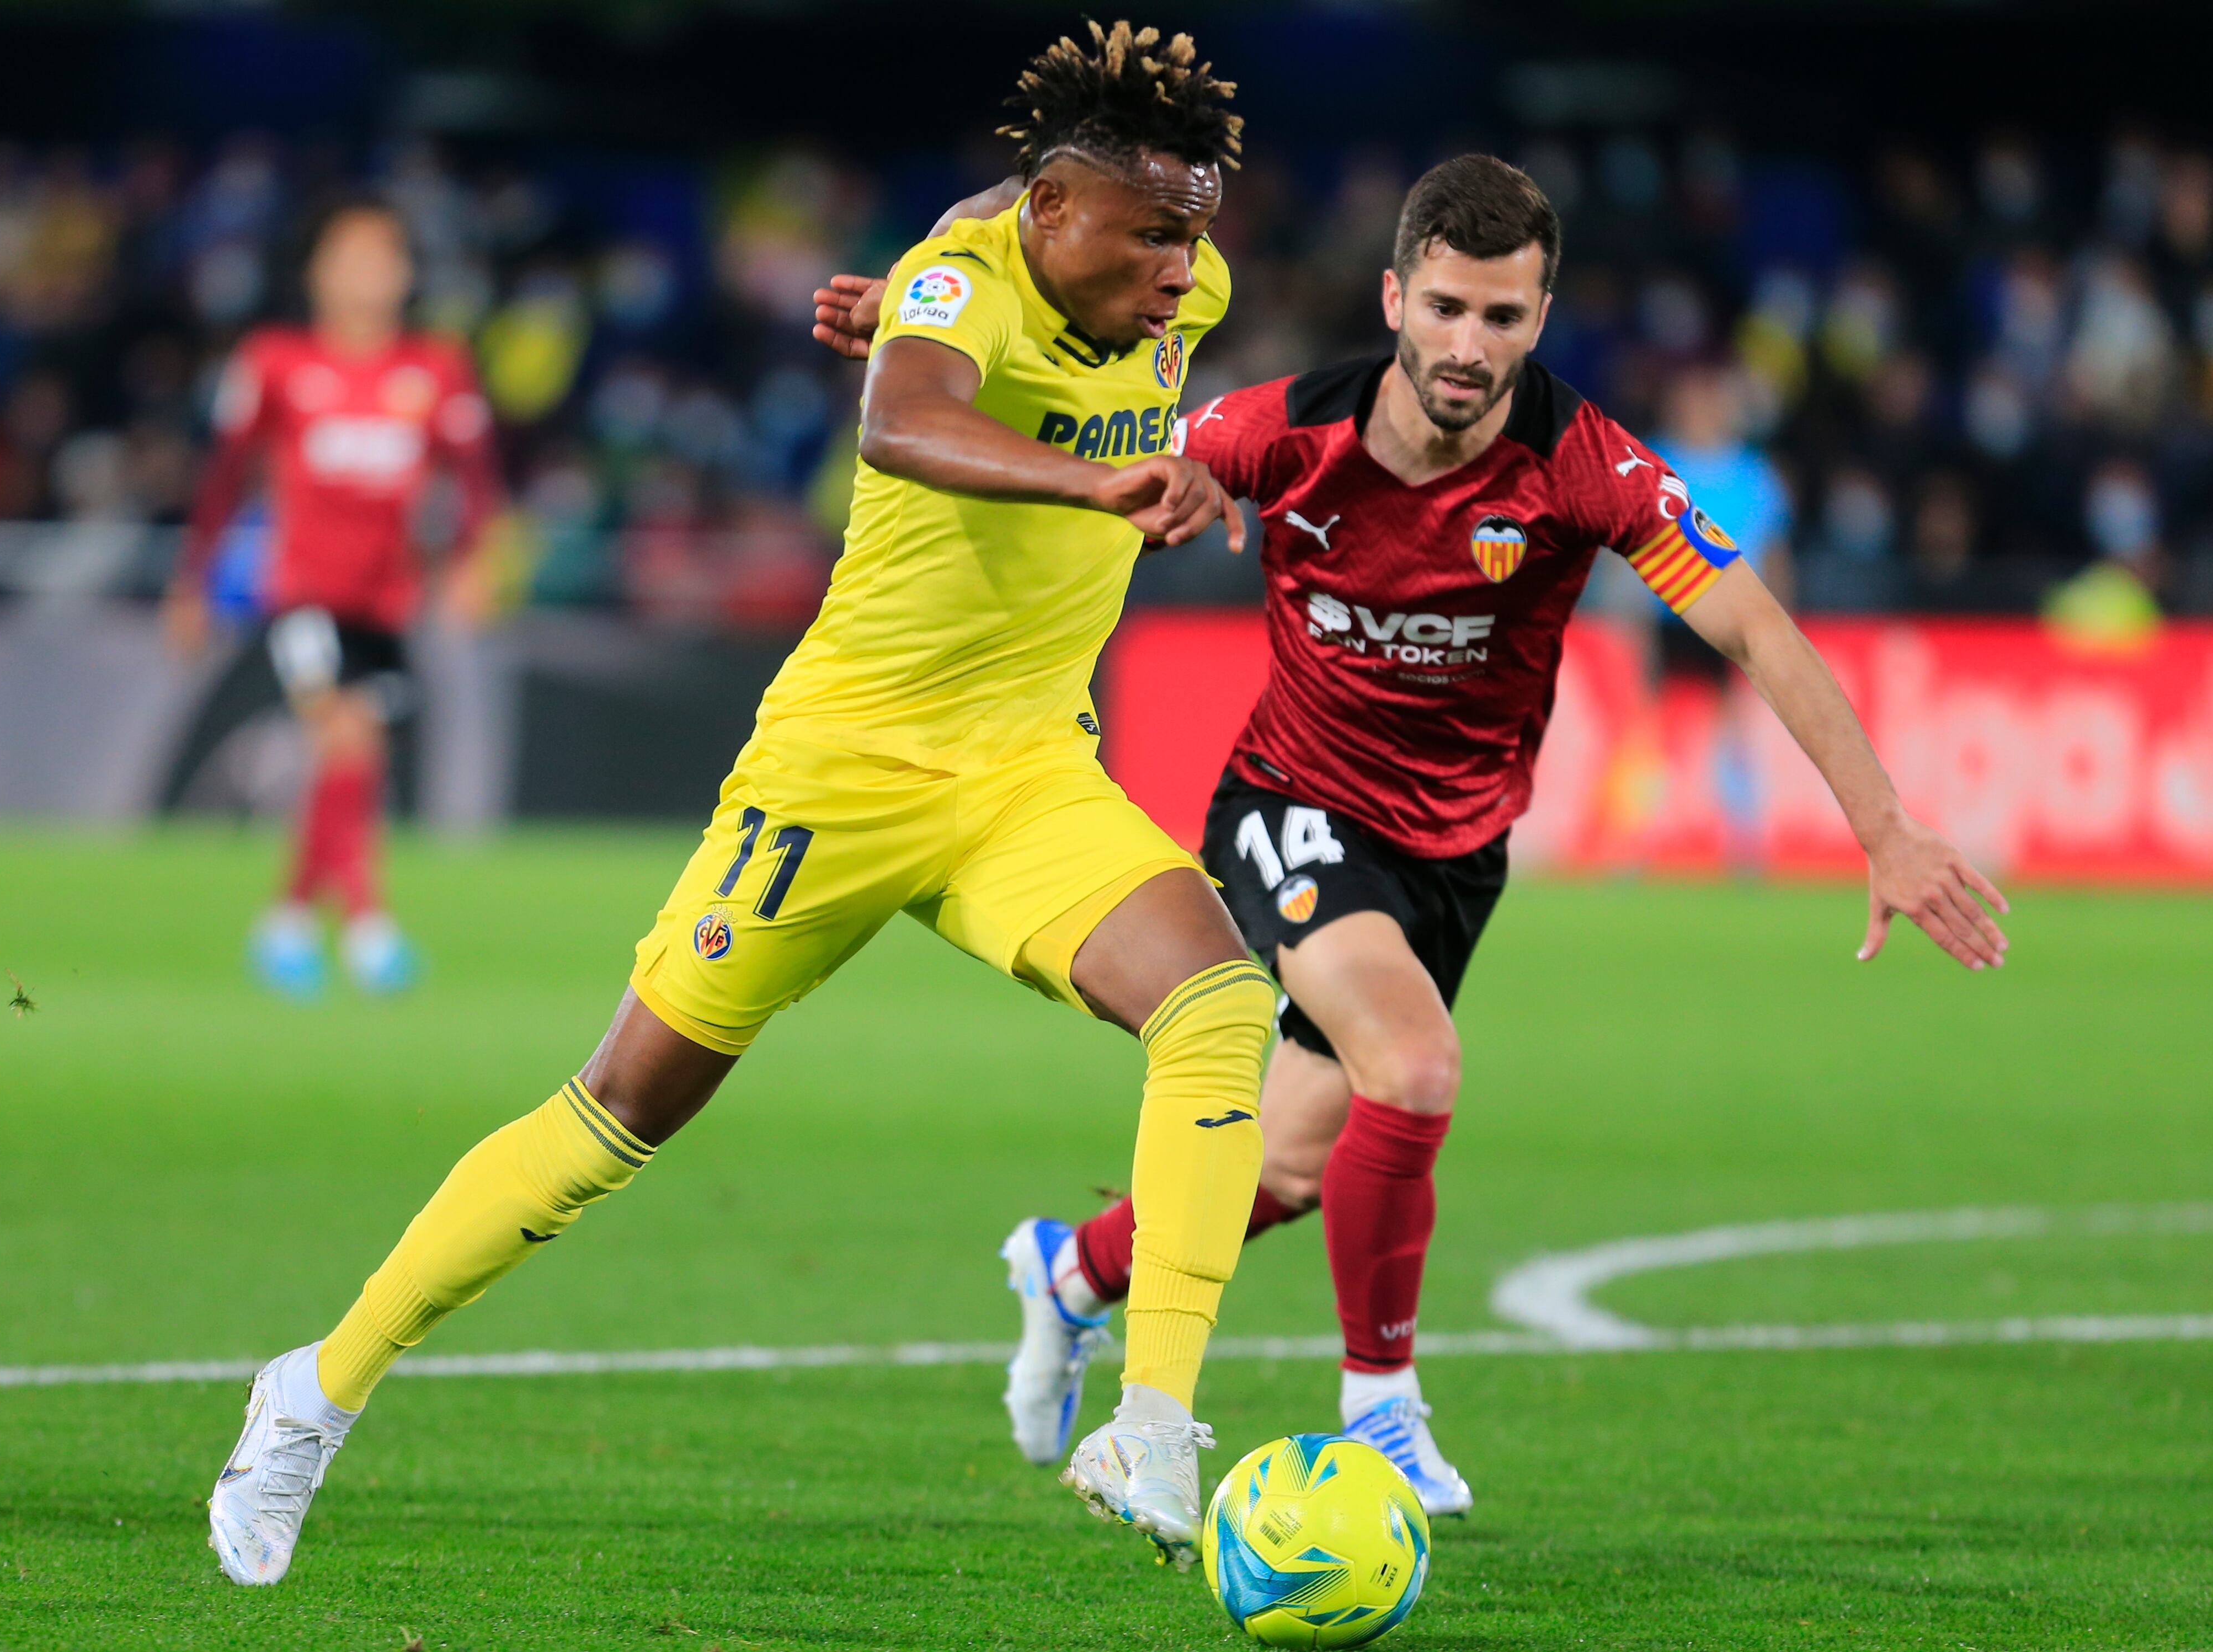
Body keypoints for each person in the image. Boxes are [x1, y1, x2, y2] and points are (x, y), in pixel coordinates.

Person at [210, 20, 1273, 1587]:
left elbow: (1002, 265)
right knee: (614, 1116)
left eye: (1194, 235)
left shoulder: (1138, 281)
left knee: (1218, 1006)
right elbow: (902, 416)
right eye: (1150, 234)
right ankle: (316, 1385)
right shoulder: (961, 288)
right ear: (1052, 210)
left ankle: (1156, 1418)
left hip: (1028, 768)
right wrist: (1084, 467)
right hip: (836, 774)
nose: (1183, 272)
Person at [815, 154, 2009, 1516]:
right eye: (1443, 307)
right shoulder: (1283, 431)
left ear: (1539, 319)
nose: (1467, 344)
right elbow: (1092, 433)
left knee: (1289, 1165)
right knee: (1417, 1064)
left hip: (1457, 852)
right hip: (1291, 810)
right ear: (1394, 296)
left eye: (1501, 318)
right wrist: (924, 315)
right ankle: (1380, 1406)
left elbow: (1752, 625)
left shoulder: (1587, 465)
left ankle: (1074, 1268)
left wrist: (1886, 827)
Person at [163, 195, 502, 998]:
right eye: (348, 254)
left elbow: (476, 479)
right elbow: (222, 478)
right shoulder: (276, 362)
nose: (365, 272)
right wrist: (193, 580)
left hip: (385, 602)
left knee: (357, 760)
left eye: (382, 255)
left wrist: (471, 560)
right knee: (343, 738)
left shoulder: (434, 370)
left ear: (406, 274)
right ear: (316, 271)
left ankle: (284, 918)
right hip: (301, 595)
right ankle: (368, 927)